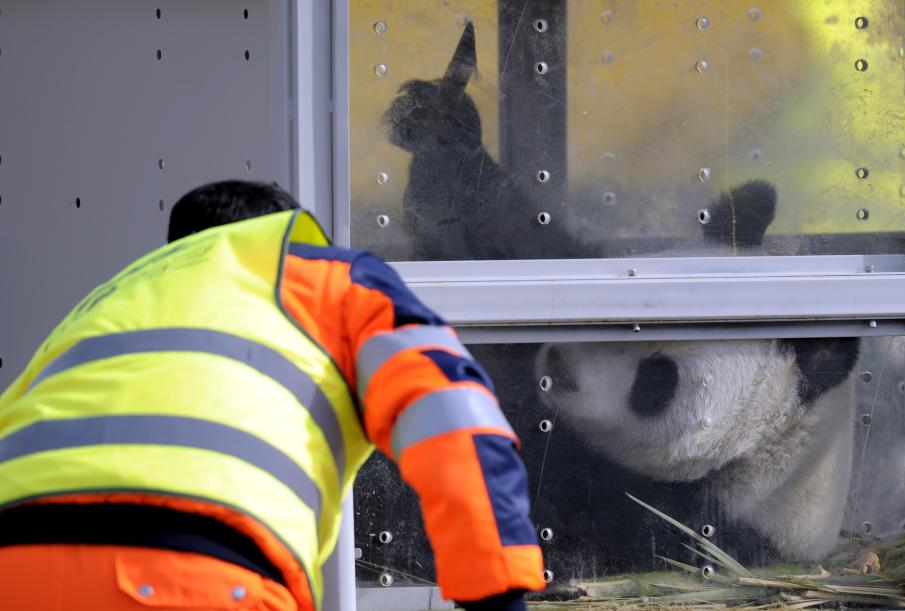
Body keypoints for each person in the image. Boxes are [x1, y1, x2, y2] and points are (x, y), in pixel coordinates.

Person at [0, 180, 544, 610]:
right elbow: (452, 419)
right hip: (199, 571)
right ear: (289, 238)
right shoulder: (325, 278)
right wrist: (495, 591)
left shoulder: (96, 313)